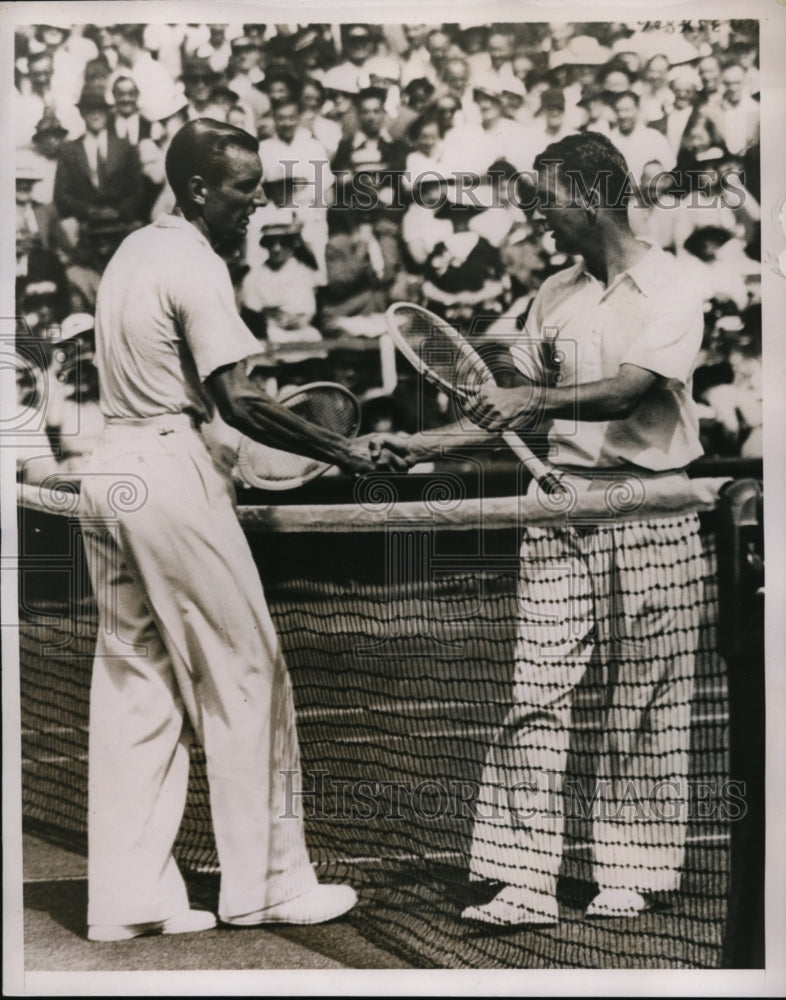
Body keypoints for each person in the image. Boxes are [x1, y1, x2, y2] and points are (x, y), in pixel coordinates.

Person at [78, 118, 406, 942]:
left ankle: (127, 899)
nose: (254, 206)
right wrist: (346, 452)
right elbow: (242, 399)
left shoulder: (129, 253)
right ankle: (267, 884)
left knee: (137, 684)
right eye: (241, 191)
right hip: (166, 472)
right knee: (247, 671)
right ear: (196, 190)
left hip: (108, 471)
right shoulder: (191, 261)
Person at [375, 131, 706, 926]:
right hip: (559, 508)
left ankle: (630, 869)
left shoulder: (673, 284)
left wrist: (536, 404)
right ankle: (524, 877)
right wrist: (414, 445)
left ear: (592, 196)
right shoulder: (551, 294)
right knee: (535, 690)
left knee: (646, 697)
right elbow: (505, 408)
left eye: (547, 200)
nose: (535, 219)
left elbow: (630, 393)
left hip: (651, 505)